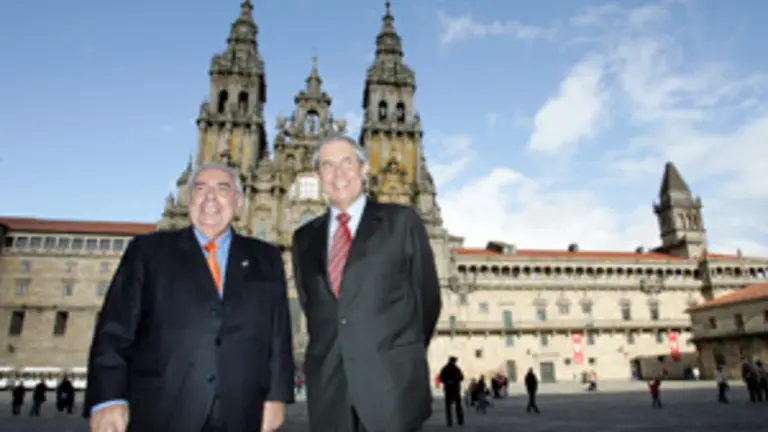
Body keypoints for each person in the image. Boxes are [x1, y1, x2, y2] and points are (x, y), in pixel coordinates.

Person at [83, 163, 295, 432]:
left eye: (222, 189)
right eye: (201, 188)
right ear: (188, 198)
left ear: (239, 202)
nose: (210, 198)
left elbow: (278, 333)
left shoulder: (266, 258)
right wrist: (108, 397)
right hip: (162, 409)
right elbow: (114, 328)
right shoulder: (148, 251)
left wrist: (277, 397)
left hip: (241, 412)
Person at [291, 135, 442, 432]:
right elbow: (314, 308)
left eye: (347, 163)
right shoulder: (303, 238)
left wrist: (397, 353)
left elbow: (427, 299)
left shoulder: (401, 220)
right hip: (330, 395)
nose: (339, 174)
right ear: (319, 177)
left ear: (363, 168)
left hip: (392, 389)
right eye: (328, 166)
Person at [439, 356, 464, 427]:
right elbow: (461, 377)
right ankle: (460, 420)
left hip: (448, 389)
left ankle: (449, 421)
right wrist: (454, 381)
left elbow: (441, 378)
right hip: (455, 389)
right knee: (458, 406)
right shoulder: (456, 369)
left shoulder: (445, 369)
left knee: (448, 407)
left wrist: (447, 381)